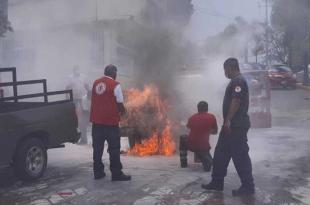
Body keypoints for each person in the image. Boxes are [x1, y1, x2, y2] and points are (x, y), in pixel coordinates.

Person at [201, 58, 255, 196]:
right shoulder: (235, 81)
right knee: (220, 154)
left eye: (225, 69)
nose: (224, 72)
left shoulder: (238, 81)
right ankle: (217, 182)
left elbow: (236, 100)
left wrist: (228, 121)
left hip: (235, 126)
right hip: (230, 127)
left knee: (240, 156)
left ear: (230, 68)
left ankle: (248, 186)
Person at [90, 64, 131, 181]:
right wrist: (124, 114)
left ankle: (98, 172)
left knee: (97, 148)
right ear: (114, 73)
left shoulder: (96, 83)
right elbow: (119, 103)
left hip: (96, 122)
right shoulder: (115, 85)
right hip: (110, 123)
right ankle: (116, 173)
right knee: (114, 148)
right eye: (116, 72)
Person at [180, 101, 218, 171]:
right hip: (204, 147)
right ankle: (203, 159)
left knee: (183, 137)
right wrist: (206, 131)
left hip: (191, 145)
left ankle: (183, 163)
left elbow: (188, 128)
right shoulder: (212, 117)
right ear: (207, 109)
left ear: (198, 109)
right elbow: (215, 132)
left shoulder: (192, 118)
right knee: (208, 164)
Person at [66, 66, 89, 144]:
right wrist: (67, 98)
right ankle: (76, 137)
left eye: (78, 70)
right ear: (73, 71)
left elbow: (87, 87)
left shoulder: (83, 76)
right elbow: (67, 88)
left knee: (83, 119)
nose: (77, 72)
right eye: (76, 70)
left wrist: (89, 97)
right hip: (74, 99)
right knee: (76, 119)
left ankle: (84, 138)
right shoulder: (70, 77)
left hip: (83, 99)